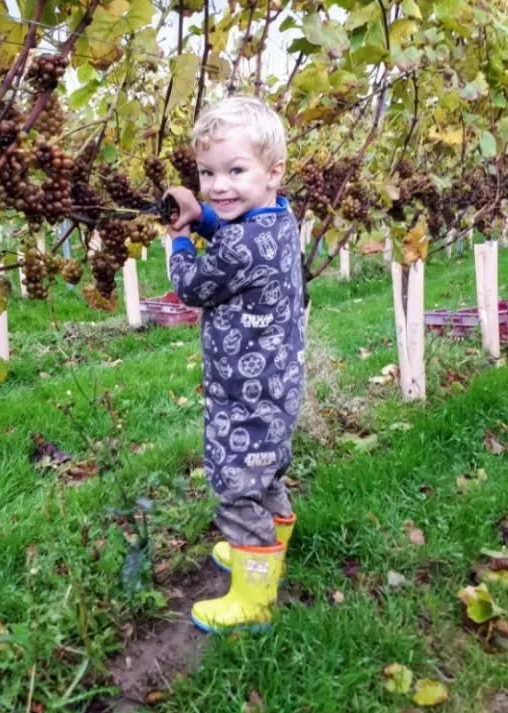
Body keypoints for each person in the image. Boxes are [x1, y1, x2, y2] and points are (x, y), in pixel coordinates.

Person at [163, 96, 308, 633]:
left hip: (244, 390)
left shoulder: (243, 243)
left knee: (235, 482)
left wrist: (180, 238)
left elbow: (192, 286)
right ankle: (269, 547)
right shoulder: (279, 217)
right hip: (279, 381)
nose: (219, 185)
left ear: (273, 173)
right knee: (267, 468)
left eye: (235, 170)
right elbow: (239, 240)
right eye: (207, 173)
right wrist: (203, 216)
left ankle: (253, 597)